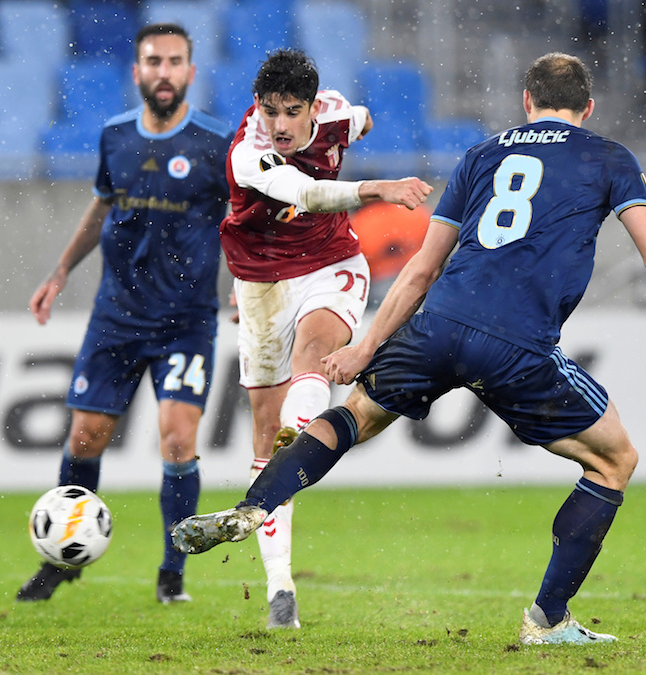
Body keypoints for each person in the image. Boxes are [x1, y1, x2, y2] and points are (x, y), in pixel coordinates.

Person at [172, 52, 646, 643]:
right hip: (518, 342)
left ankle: (258, 502)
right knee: (615, 460)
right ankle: (548, 620)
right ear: (587, 108)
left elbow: (420, 270)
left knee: (354, 414)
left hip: (440, 324)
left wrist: (366, 347)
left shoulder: (483, 154)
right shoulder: (609, 157)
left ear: (526, 103)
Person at [16, 23, 233, 604]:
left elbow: (244, 219)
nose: (164, 72)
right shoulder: (115, 136)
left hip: (187, 320)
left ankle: (172, 574)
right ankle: (62, 561)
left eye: (175, 62)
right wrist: (61, 270)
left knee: (177, 441)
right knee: (85, 437)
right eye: (153, 61)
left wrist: (245, 280)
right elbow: (102, 207)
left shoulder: (217, 143)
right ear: (137, 72)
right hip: (116, 317)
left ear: (190, 71)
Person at [218, 48, 433, 628]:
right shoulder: (249, 150)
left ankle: (302, 423)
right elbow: (310, 194)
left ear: (313, 105)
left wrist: (356, 128)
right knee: (264, 438)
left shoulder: (335, 113)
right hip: (259, 282)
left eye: (293, 111)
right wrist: (380, 187)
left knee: (316, 354)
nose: (280, 124)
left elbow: (361, 118)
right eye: (270, 111)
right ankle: (279, 587)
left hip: (330, 262)